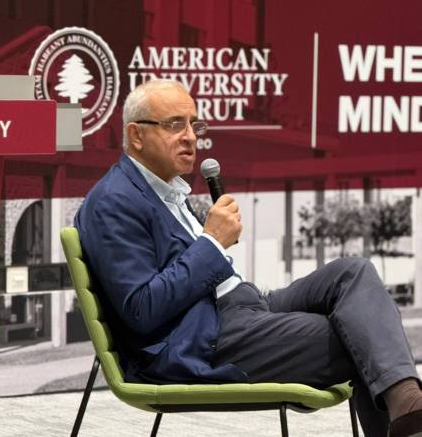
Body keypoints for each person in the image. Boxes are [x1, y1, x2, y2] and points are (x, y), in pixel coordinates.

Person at [75, 79, 422, 437]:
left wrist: (211, 247)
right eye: (175, 125)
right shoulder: (114, 201)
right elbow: (142, 309)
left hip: (243, 307)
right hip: (202, 340)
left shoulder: (167, 191)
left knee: (354, 272)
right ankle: (411, 413)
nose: (191, 137)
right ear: (136, 135)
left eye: (194, 124)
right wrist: (212, 242)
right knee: (363, 337)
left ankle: (410, 412)